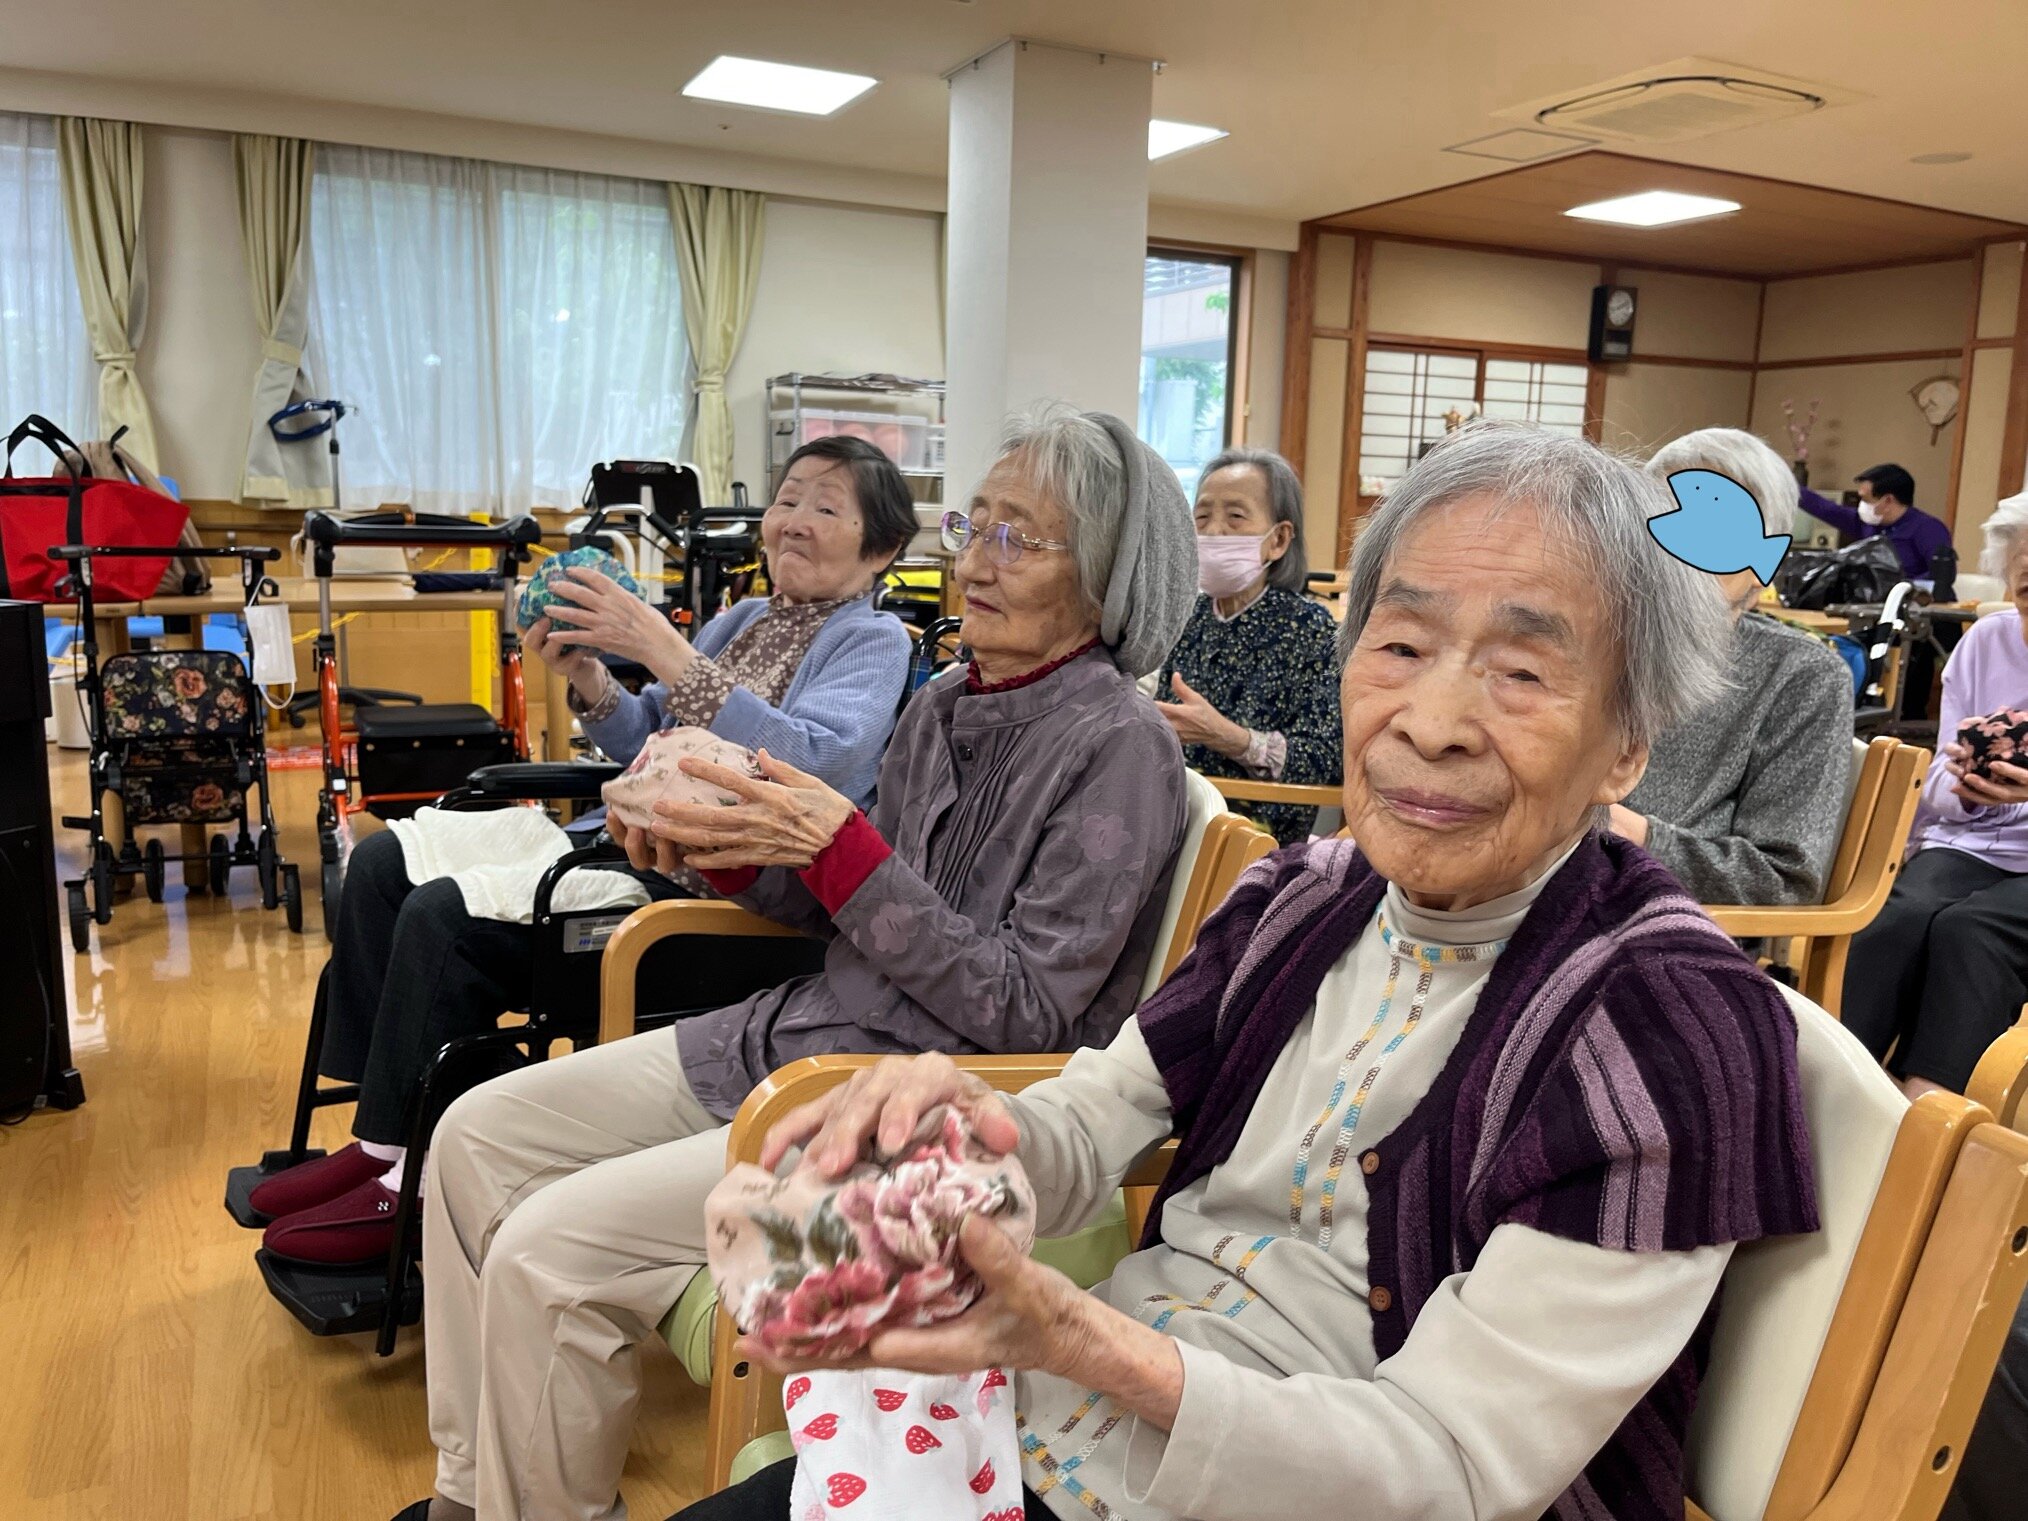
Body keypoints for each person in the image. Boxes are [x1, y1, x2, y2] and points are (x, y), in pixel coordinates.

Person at [685, 421, 1820, 1521]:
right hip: (1053, 1435)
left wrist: (1076, 1337)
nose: (1433, 722)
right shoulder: (1301, 896)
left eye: (1522, 671)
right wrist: (961, 1133)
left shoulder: (1671, 1028)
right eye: (1402, 646)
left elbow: (1455, 1471)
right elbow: (1092, 1121)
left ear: (1627, 748)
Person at [388, 402, 1199, 1521]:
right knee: (472, 1136)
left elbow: (1025, 1012)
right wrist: (723, 853)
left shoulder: (1122, 746)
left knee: (546, 1249)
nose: (976, 561)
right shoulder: (945, 703)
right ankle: (475, 1494)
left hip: (924, 1120)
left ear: (1109, 578)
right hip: (808, 1040)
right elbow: (847, 910)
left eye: (1020, 536)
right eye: (974, 525)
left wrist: (836, 847)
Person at [250, 435, 918, 1265]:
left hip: (711, 899)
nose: (794, 520)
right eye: (788, 499)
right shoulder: (745, 618)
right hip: (624, 843)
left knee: (443, 918)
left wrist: (666, 650)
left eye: (826, 506)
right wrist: (593, 679)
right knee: (384, 864)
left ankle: (411, 1185)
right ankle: (380, 1139)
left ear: (882, 547)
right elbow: (647, 735)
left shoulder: (873, 640)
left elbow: (815, 764)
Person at [1611, 427, 1854, 904]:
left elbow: (1783, 881)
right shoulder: (1600, 636)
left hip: (1656, 919)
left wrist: (1631, 833)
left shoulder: (1801, 675)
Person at [1842, 489, 2028, 1100]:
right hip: (1972, 841)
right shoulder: (1987, 642)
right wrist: (1970, 791)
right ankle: (1830, 1086)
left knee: (1974, 931)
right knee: (1897, 917)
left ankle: (1926, 1108)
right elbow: (1941, 784)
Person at [1154, 447, 1342, 845]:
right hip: (1172, 818)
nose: (1213, 531)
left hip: (1257, 836)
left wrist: (1228, 737)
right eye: (1202, 517)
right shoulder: (1188, 616)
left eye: (1235, 517)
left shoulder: (1310, 627)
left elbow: (1327, 760)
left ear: (1278, 540)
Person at [1796, 461, 1953, 579]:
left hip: (1915, 606)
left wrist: (1902, 589)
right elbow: (1825, 508)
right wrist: (1788, 486)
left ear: (1888, 500)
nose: (1861, 505)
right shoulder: (1867, 523)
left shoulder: (1928, 529)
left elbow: (1942, 576)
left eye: (1865, 499)